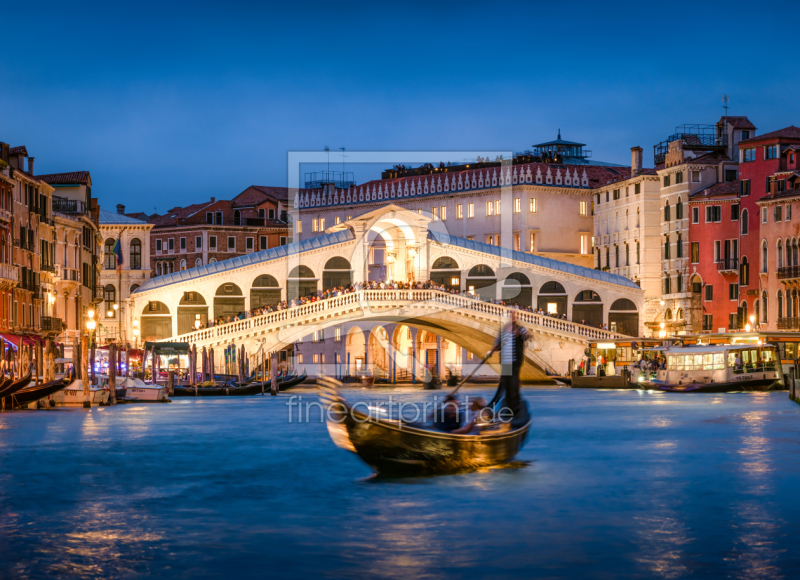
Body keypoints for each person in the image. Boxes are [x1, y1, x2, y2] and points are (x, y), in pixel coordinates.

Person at [486, 310, 531, 428]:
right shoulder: (504, 330)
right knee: (505, 383)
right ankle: (504, 408)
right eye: (511, 316)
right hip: (506, 361)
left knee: (513, 383)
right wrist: (492, 351)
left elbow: (528, 336)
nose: (512, 317)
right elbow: (498, 344)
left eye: (514, 316)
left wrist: (521, 334)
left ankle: (513, 406)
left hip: (515, 361)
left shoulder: (520, 329)